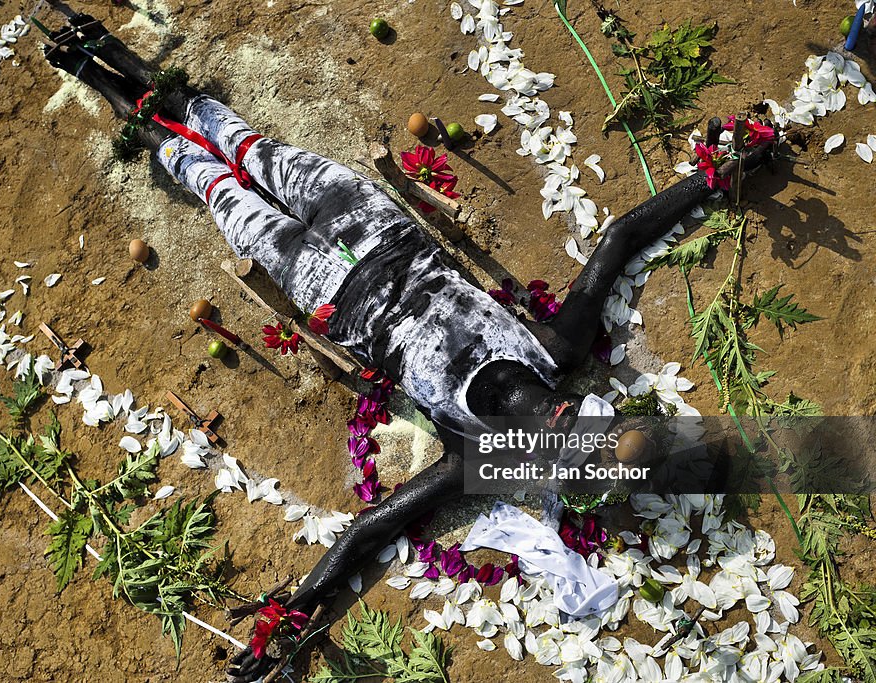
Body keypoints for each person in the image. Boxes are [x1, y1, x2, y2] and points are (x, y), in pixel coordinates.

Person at [42, 13, 775, 680]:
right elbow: (620, 236)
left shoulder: (474, 453)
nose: (563, 428)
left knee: (210, 181)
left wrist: (285, 622)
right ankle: (120, 59)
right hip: (365, 219)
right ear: (590, 404)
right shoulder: (557, 344)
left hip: (322, 282)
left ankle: (105, 93)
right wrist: (715, 175)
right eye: (590, 426)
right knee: (245, 148)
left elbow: (370, 528)